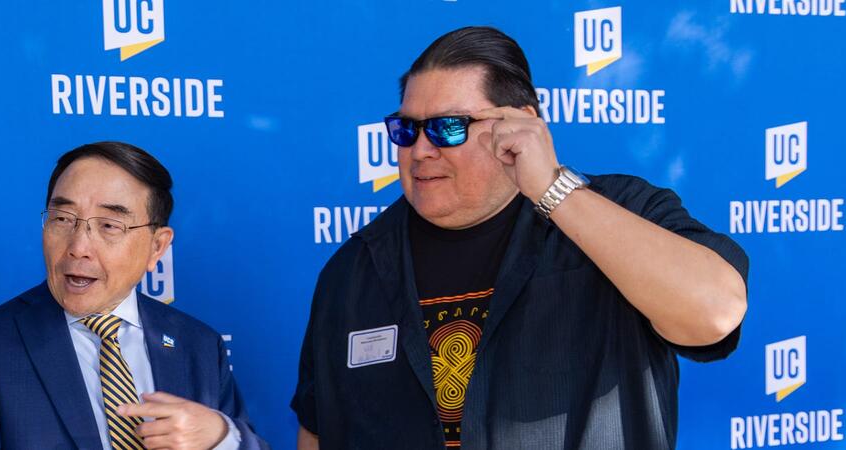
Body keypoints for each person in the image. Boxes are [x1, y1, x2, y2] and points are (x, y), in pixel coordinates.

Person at [292, 26, 749, 449]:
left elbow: (715, 313)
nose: (421, 150)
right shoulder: (355, 268)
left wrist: (552, 188)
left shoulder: (620, 210)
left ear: (520, 124)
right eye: (406, 129)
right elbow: (317, 431)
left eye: (448, 128)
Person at [0, 141, 269, 450]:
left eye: (109, 226)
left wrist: (220, 436)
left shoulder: (199, 344)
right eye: (62, 219)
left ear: (157, 247)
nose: (78, 247)